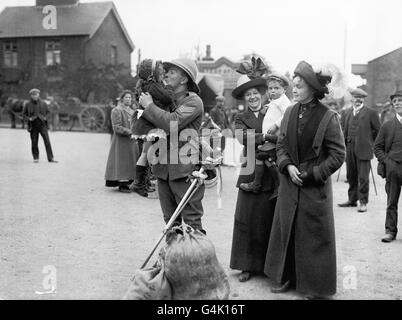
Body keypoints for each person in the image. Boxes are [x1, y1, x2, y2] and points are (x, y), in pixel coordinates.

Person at [264, 61, 346, 299]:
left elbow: (338, 155)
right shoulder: (289, 112)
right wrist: (287, 166)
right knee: (287, 230)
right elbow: (281, 145)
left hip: (313, 188)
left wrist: (313, 175)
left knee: (312, 235)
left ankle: (314, 285)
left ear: (312, 88)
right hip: (290, 185)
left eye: (299, 86)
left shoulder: (329, 117)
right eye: (294, 86)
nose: (294, 90)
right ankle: (286, 276)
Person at [137, 58, 206, 233]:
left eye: (173, 72)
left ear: (184, 80)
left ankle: (196, 259)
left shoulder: (194, 102)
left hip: (185, 170)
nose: (166, 74)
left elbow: (172, 122)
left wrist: (149, 106)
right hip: (163, 169)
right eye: (166, 71)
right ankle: (172, 259)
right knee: (170, 222)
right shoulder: (164, 100)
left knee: (191, 222)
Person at [229, 61, 279, 282]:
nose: (252, 97)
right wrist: (266, 137)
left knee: (268, 218)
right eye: (248, 95)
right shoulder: (241, 118)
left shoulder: (274, 113)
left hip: (272, 171)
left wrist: (265, 138)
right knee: (246, 218)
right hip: (250, 170)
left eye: (255, 93)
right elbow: (242, 138)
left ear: (262, 94)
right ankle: (246, 265)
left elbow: (282, 136)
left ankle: (267, 266)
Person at [239, 72, 291, 193]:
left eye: (277, 88)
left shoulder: (284, 101)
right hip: (268, 138)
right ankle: (277, 185)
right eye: (271, 88)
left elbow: (287, 115)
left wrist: (276, 125)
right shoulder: (275, 101)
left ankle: (259, 184)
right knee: (267, 159)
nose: (273, 91)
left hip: (274, 136)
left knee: (262, 157)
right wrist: (266, 108)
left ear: (284, 89)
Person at [130, 59, 175, 197]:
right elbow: (168, 98)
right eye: (160, 72)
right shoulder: (152, 86)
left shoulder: (145, 85)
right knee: (158, 152)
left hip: (144, 123)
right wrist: (168, 86)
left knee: (145, 153)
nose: (162, 74)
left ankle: (140, 183)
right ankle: (141, 182)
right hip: (149, 125)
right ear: (151, 74)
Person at [338, 88, 381, 212]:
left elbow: (378, 131)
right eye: (355, 97)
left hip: (364, 149)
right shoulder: (346, 112)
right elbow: (342, 130)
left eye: (360, 98)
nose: (357, 100)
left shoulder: (371, 113)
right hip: (349, 149)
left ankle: (363, 202)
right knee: (351, 176)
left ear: (363, 99)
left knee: (363, 178)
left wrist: (371, 143)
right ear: (352, 99)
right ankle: (352, 199)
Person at [374, 90, 402, 243]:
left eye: (400, 100)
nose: (397, 103)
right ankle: (390, 231)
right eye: (395, 101)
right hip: (394, 169)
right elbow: (377, 146)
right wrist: (387, 161)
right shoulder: (387, 125)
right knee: (391, 202)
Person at [104, 90, 138, 193]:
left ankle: (130, 183)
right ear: (122, 99)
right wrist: (129, 132)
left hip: (131, 141)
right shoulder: (116, 110)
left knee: (131, 162)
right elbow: (116, 127)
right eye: (126, 97)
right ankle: (122, 184)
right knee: (122, 163)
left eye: (130, 98)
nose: (129, 99)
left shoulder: (132, 111)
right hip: (121, 142)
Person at [22, 88, 57, 163]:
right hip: (33, 126)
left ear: (38, 95)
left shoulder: (43, 103)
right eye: (33, 95)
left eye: (36, 94)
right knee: (34, 142)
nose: (35, 96)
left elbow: (49, 113)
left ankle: (50, 158)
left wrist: (45, 118)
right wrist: (29, 119)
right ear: (31, 96)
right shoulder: (27, 104)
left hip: (42, 125)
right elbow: (24, 115)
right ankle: (36, 157)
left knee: (47, 141)